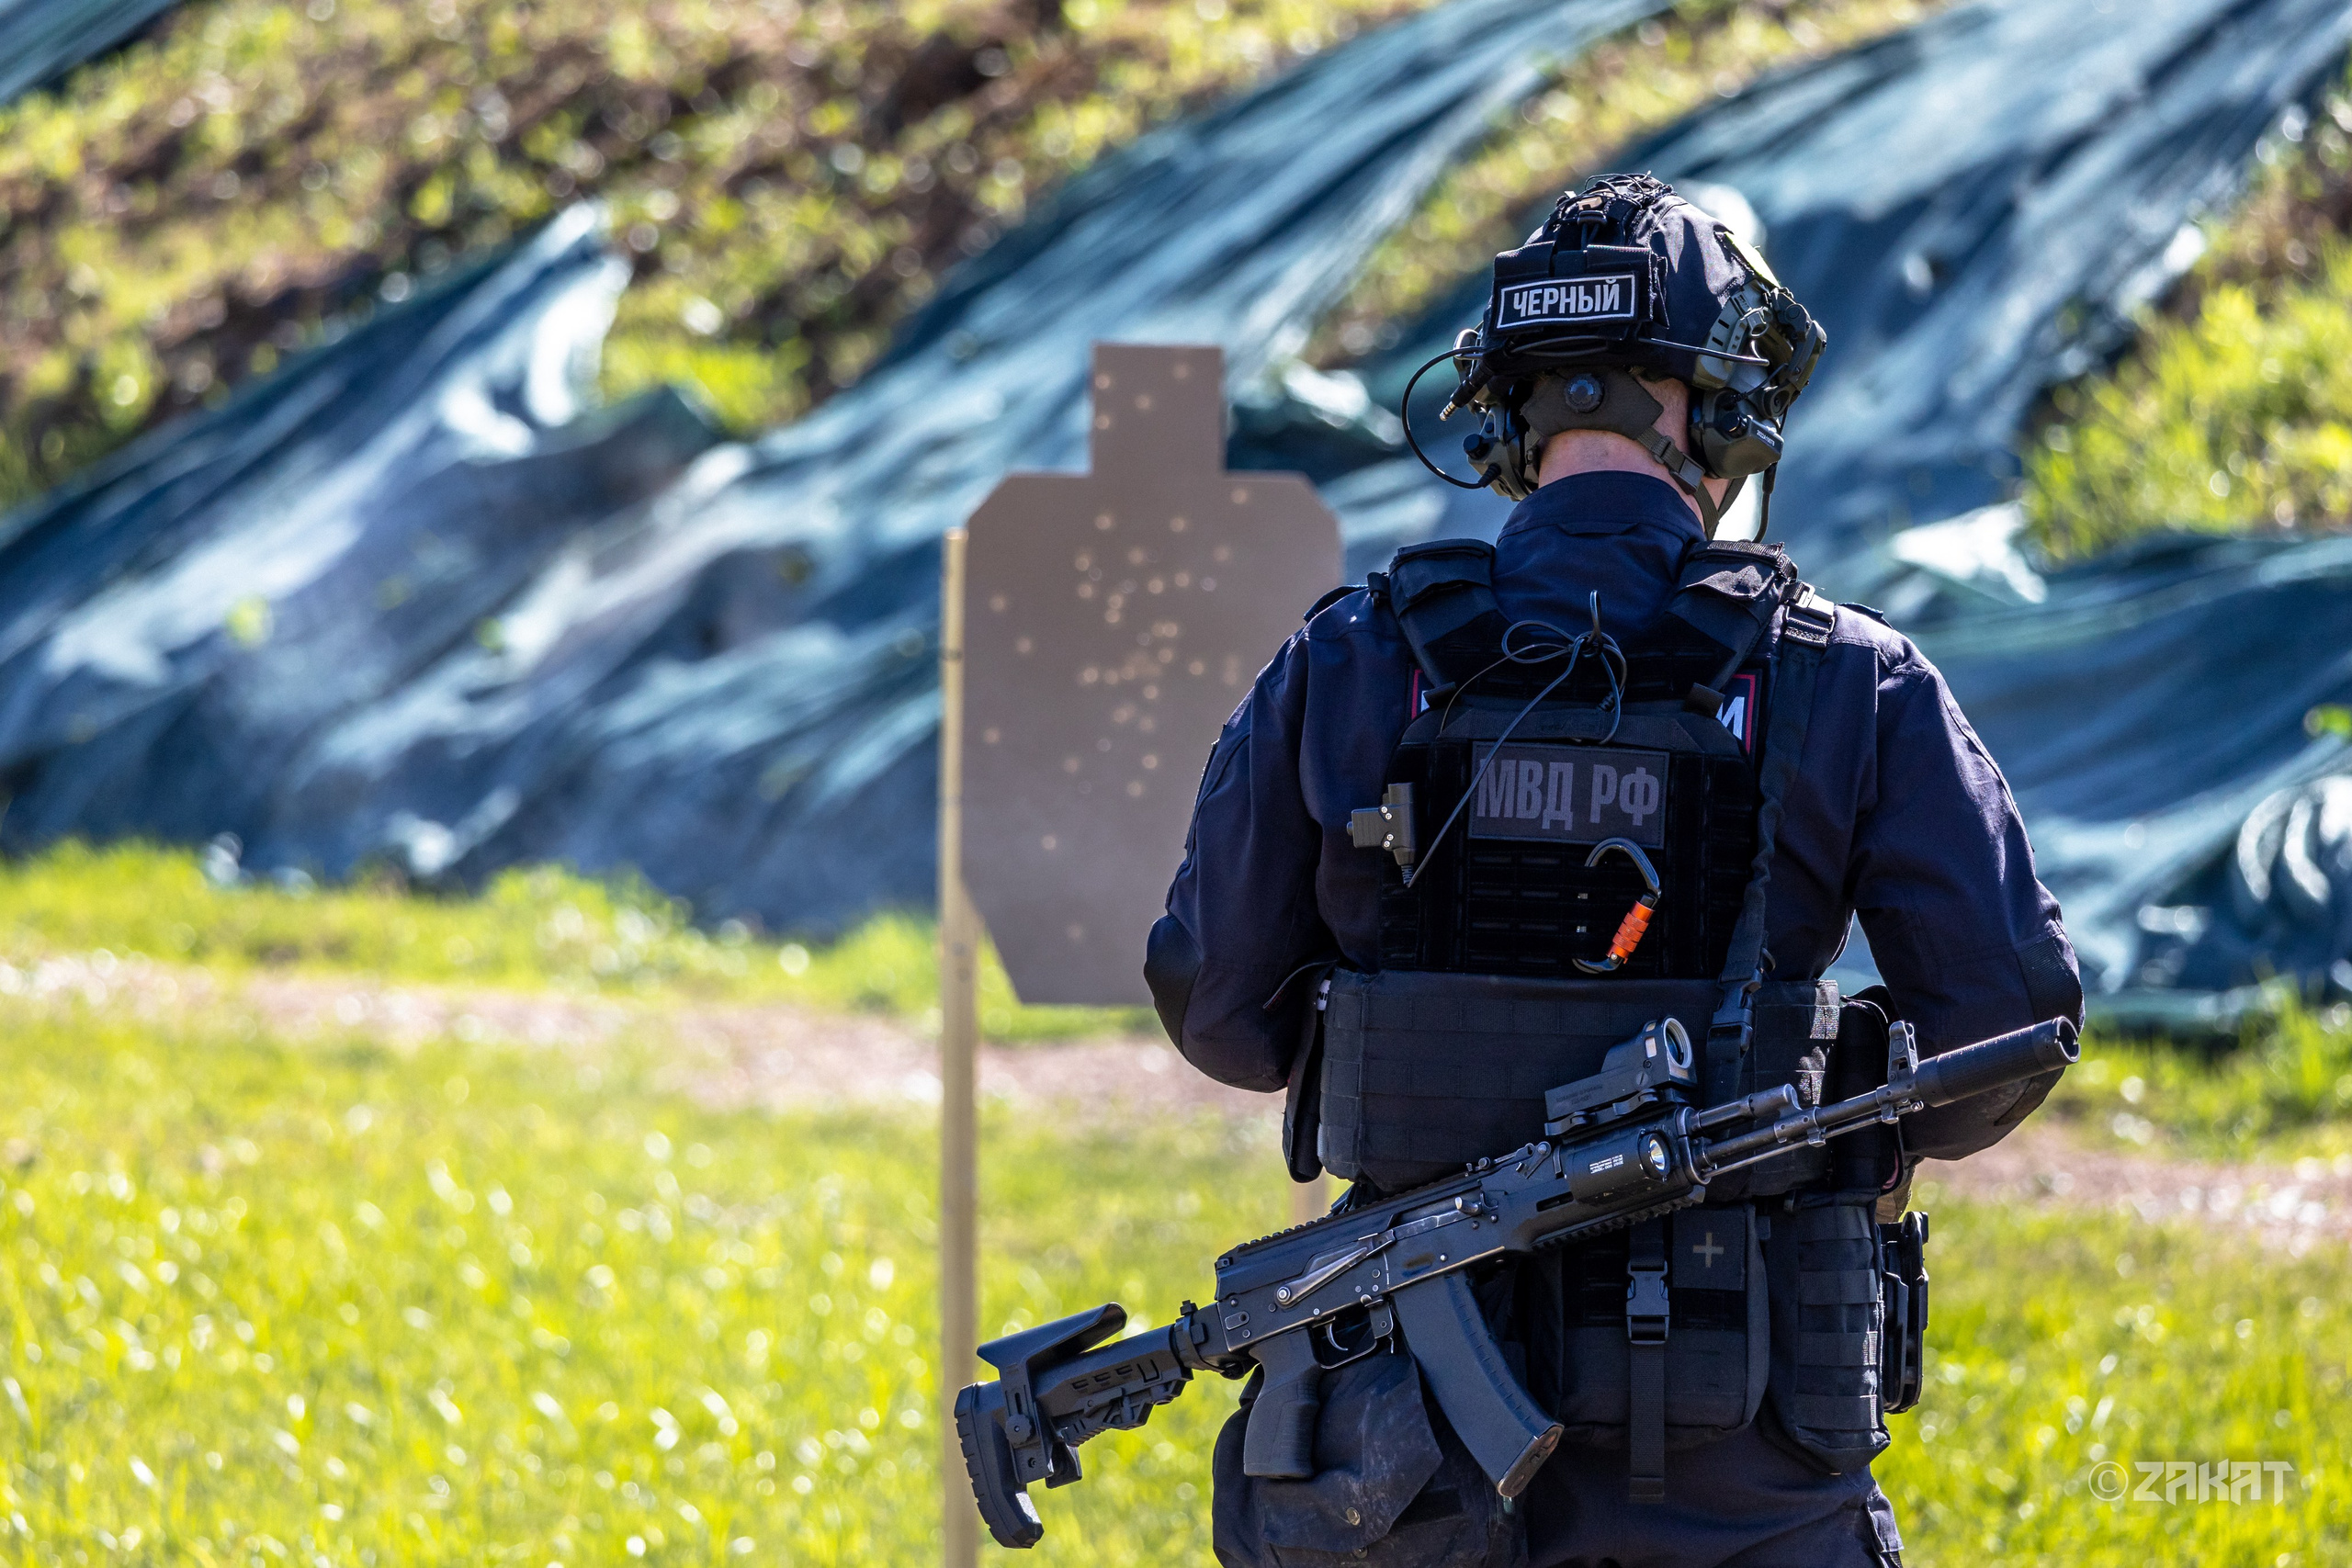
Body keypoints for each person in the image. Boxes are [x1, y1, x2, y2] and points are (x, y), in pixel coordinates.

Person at [1145, 175, 2081, 1568]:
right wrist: (1839, 1113)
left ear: (1510, 417)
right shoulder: (1846, 677)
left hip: (1405, 1461)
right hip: (1744, 1451)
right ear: (1718, 411)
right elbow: (2010, 1024)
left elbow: (1221, 1012)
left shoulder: (1348, 662)